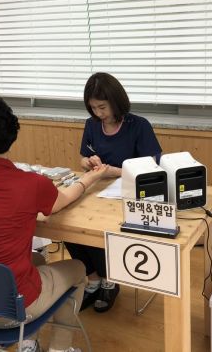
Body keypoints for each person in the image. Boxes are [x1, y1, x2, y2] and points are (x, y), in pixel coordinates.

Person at [0, 95, 109, 352]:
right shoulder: (31, 184)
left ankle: (28, 343)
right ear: (12, 134)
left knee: (37, 259)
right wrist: (90, 178)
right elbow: (62, 201)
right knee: (78, 268)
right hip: (12, 310)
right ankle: (59, 348)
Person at [65, 72, 162, 313]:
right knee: (69, 224)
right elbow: (83, 158)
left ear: (116, 101)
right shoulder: (92, 125)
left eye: (102, 107)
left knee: (100, 230)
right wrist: (88, 163)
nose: (98, 113)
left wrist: (114, 171)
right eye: (93, 108)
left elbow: (151, 168)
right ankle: (93, 279)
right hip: (97, 191)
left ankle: (110, 280)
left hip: (127, 194)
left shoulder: (138, 126)